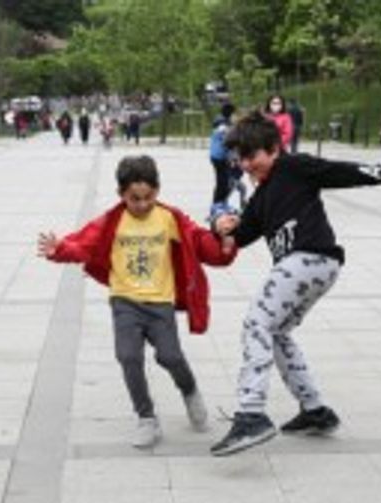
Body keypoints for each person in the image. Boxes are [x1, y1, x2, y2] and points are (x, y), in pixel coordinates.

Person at [209, 112, 381, 457]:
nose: (247, 165)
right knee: (276, 332)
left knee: (256, 323)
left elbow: (340, 171)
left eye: (253, 157)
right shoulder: (261, 198)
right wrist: (220, 227)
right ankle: (315, 410)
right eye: (241, 159)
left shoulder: (293, 166)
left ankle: (251, 414)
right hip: (315, 267)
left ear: (274, 148)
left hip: (308, 258)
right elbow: (240, 237)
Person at [38, 155, 236, 448]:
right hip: (125, 302)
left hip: (160, 304)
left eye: (148, 197)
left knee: (170, 357)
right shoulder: (113, 220)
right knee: (128, 357)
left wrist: (225, 244)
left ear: (157, 190)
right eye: (134, 199)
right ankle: (146, 418)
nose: (142, 205)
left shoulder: (170, 218)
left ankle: (190, 389)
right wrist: (60, 249)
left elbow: (200, 243)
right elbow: (84, 244)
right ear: (121, 194)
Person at [209, 102, 235, 205]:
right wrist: (233, 156)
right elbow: (227, 141)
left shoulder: (220, 121)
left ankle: (219, 202)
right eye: (233, 113)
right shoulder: (223, 125)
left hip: (216, 155)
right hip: (220, 157)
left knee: (222, 182)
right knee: (223, 182)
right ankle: (218, 203)